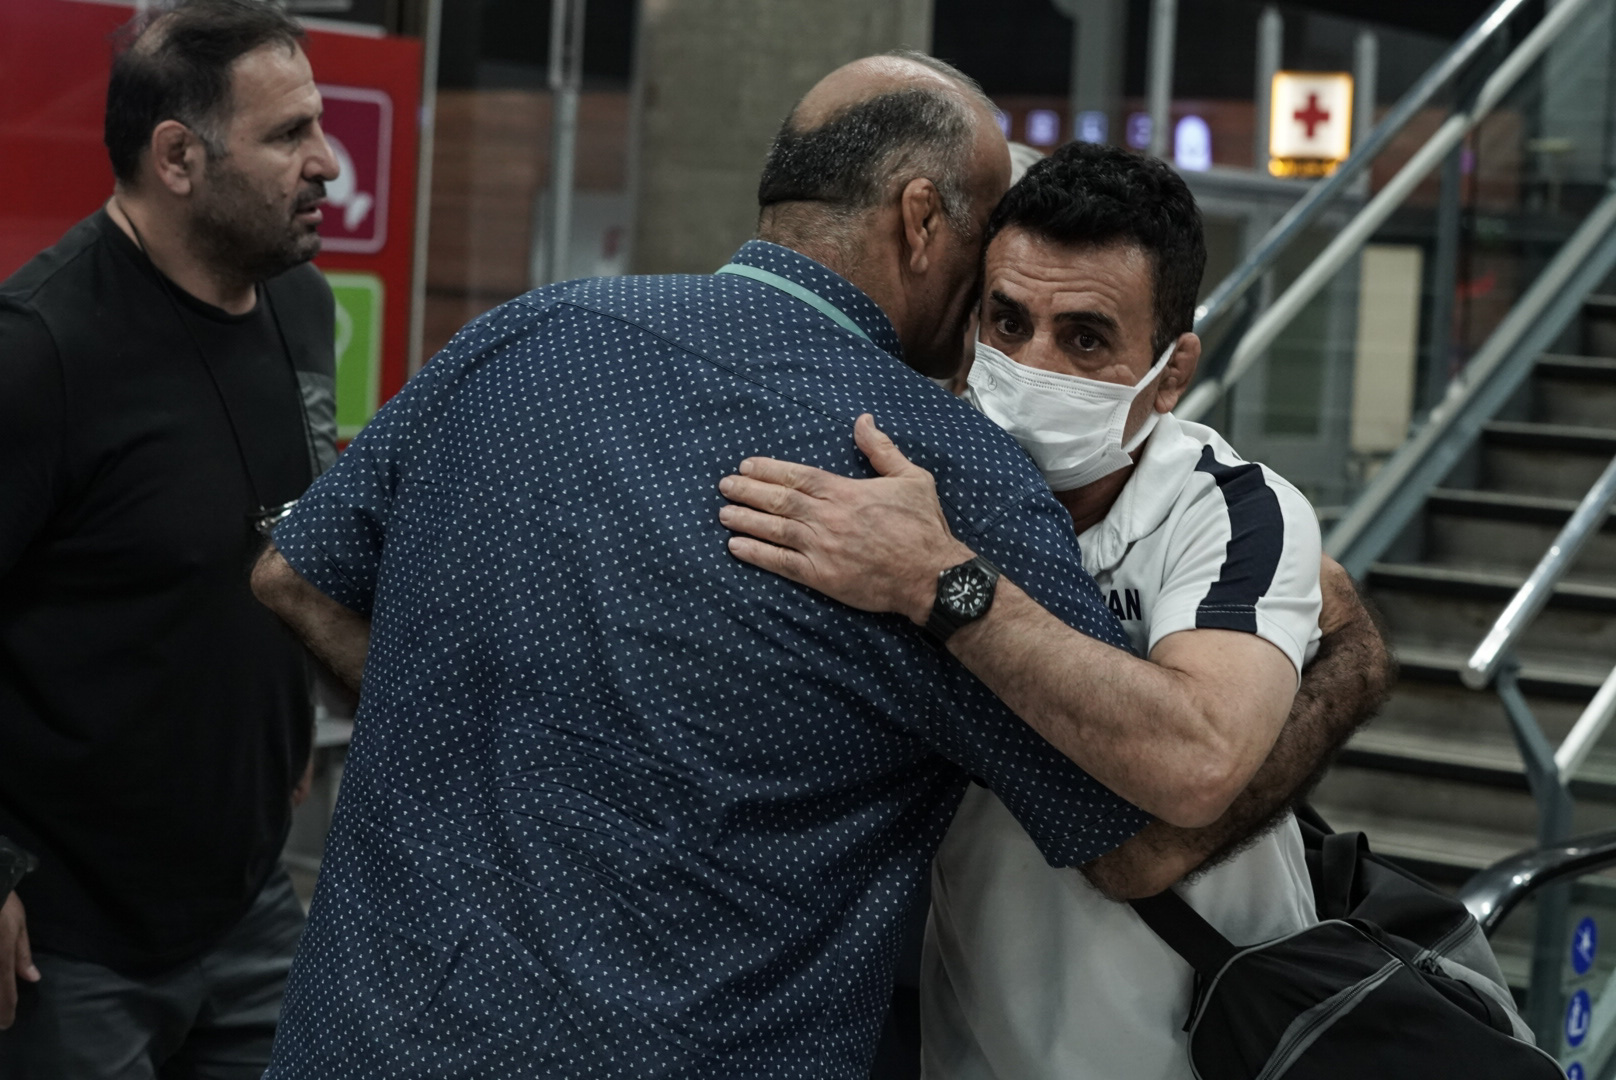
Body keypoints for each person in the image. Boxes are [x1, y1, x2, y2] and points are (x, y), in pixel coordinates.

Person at [251, 53, 1378, 1078]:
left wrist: (472, 738)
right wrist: (1344, 678)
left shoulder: (524, 332)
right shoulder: (943, 473)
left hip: (358, 1033)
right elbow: (1136, 842)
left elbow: (292, 578)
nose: (1021, 356)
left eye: (1082, 337)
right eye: (997, 291)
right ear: (922, 221)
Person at [715, 142, 1388, 1078]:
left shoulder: (1231, 511)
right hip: (975, 1045)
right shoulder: (905, 491)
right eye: (1009, 321)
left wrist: (941, 583)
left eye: (1086, 338)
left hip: (1202, 1047)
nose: (1033, 364)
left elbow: (1197, 758)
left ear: (1171, 371)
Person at [0, 1, 340, 1074]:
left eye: (319, 124)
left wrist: (281, 716)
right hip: (70, 940)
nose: (327, 163)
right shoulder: (39, 349)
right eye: (288, 134)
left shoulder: (300, 307)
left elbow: (272, 531)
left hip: (248, 898)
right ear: (179, 158)